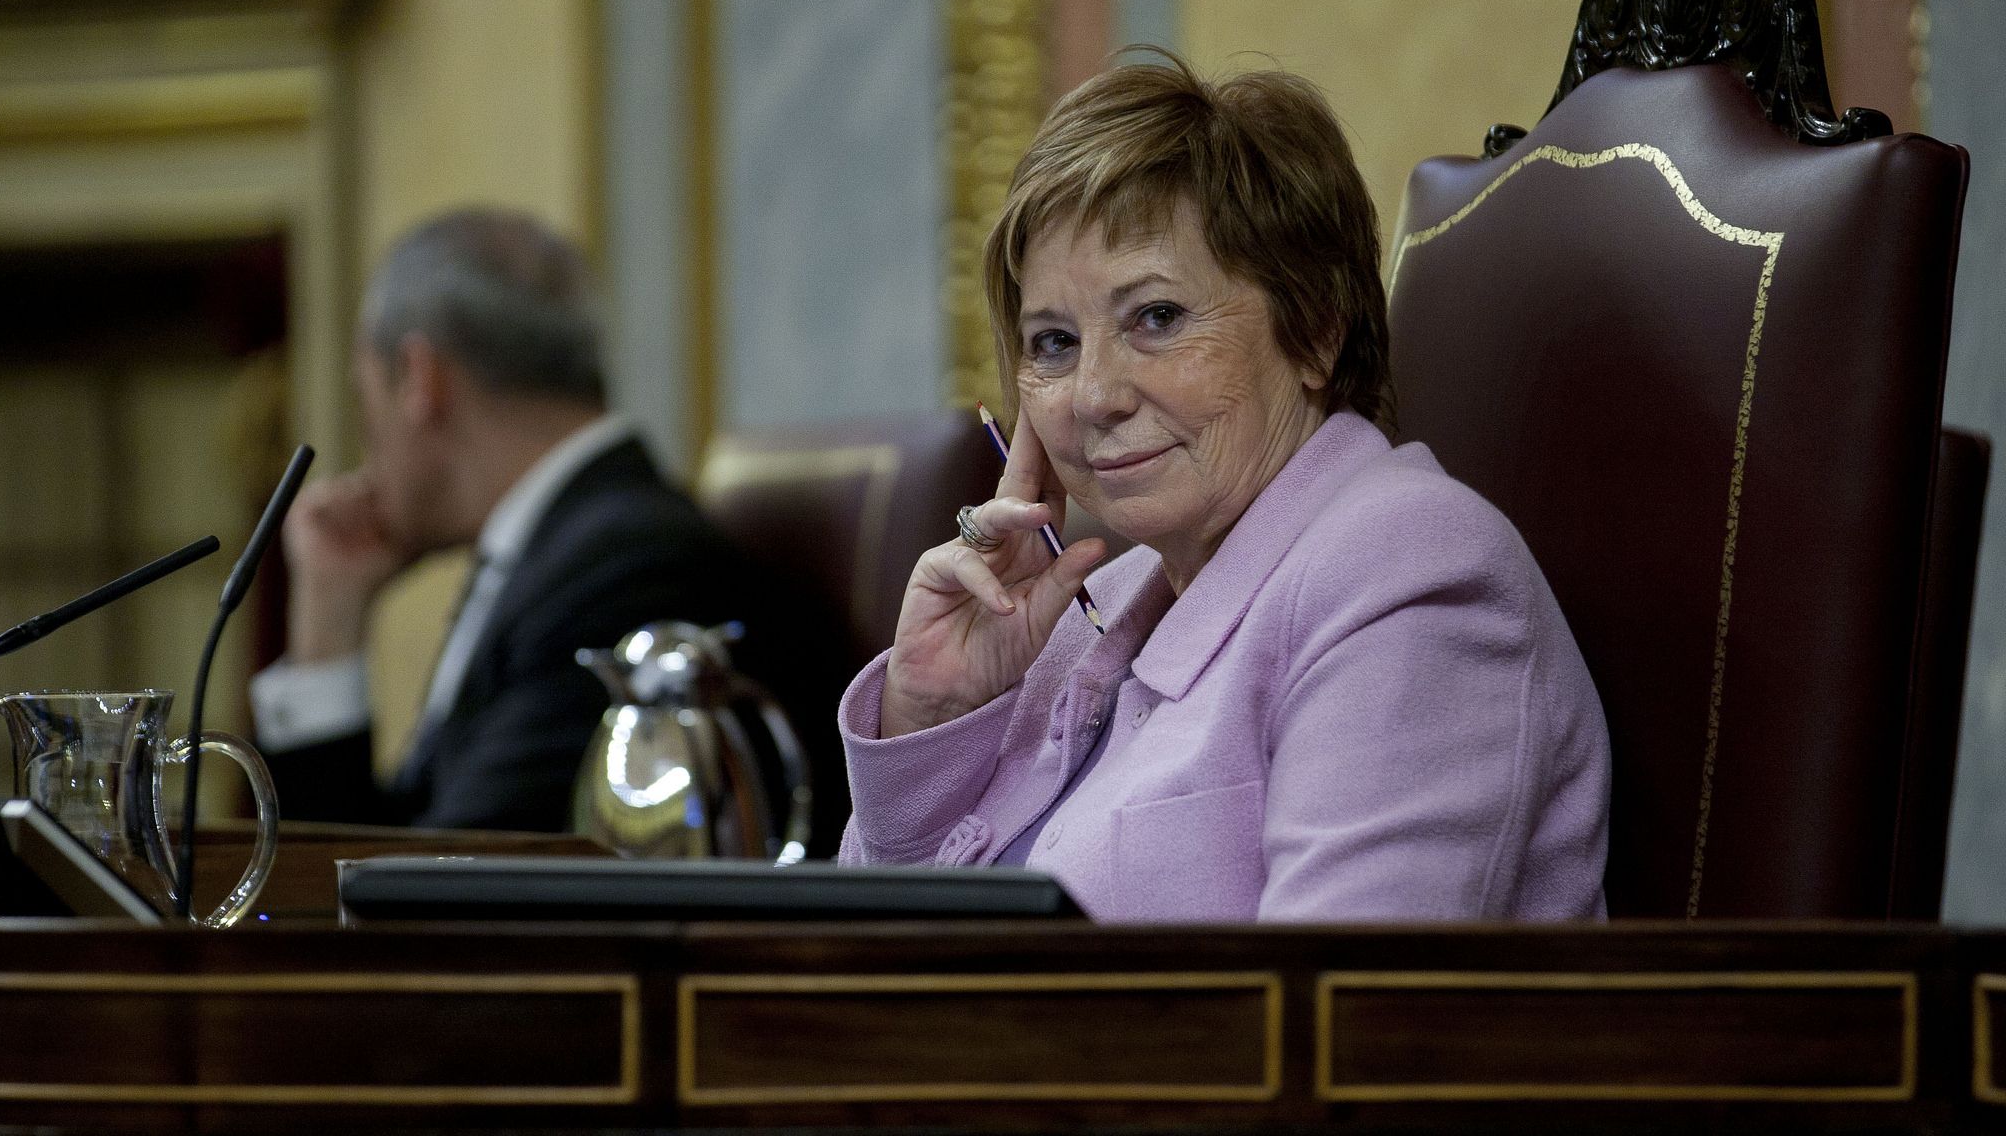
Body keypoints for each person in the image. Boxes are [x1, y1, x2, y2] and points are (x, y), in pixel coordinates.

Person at [836, 55, 1610, 921]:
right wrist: (930, 717)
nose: (1094, 395)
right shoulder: (1090, 604)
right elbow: (873, 966)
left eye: (1156, 319)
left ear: (1315, 329)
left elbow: (1334, 1017)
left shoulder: (1412, 575)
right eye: (1052, 342)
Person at [250, 208, 836, 838]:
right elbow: (388, 852)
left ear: (423, 381)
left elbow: (457, 878)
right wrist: (329, 619)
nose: (367, 455)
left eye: (365, 405)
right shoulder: (562, 546)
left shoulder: (627, 566)